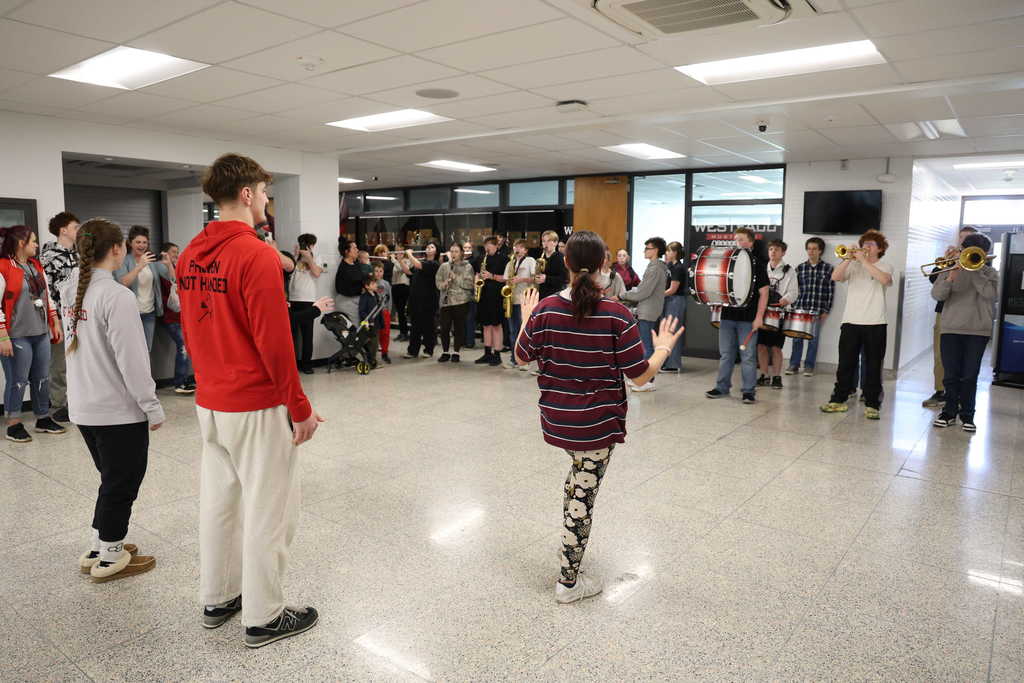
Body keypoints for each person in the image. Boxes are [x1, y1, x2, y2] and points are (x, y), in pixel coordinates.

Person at [178, 153, 321, 649]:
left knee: (220, 504)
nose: (265, 199)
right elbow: (275, 343)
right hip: (256, 405)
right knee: (270, 510)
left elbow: (191, 329)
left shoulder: (189, 253)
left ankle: (218, 597)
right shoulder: (256, 255)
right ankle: (264, 616)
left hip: (211, 401)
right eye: (263, 191)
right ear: (245, 194)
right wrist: (298, 407)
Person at [514, 230, 683, 604]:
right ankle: (569, 583)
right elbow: (639, 375)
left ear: (566, 263)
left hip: (557, 419)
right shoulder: (616, 315)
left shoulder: (545, 309)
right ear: (604, 265)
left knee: (577, 482)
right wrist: (664, 349)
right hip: (596, 425)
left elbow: (521, 356)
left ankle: (569, 538)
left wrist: (527, 317)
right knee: (583, 499)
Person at [61, 218, 163, 582]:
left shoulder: (71, 287)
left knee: (111, 480)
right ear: (117, 250)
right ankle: (111, 558)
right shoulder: (117, 296)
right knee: (123, 483)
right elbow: (132, 360)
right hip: (117, 411)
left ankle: (99, 543)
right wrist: (151, 405)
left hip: (85, 407)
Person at [0, 225, 66, 442]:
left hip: (40, 332)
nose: (37, 245)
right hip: (16, 334)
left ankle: (42, 418)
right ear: (21, 243)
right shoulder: (3, 267)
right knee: (17, 380)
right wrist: (2, 336)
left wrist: (54, 320)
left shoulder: (35, 265)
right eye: (34, 241)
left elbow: (47, 296)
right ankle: (13, 424)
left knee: (42, 378)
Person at [820, 230, 895, 420]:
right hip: (850, 322)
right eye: (865, 244)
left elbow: (885, 280)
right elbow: (835, 277)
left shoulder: (885, 265)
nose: (867, 247)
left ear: (880, 249)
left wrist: (863, 260)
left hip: (876, 323)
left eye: (871, 245)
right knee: (845, 363)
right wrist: (848, 258)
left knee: (873, 365)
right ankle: (838, 399)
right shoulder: (853, 266)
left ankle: (872, 404)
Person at [931, 232, 998, 432]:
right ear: (963, 250)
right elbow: (937, 295)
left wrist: (975, 270)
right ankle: (949, 412)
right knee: (950, 375)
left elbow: (990, 294)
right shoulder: (951, 267)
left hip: (978, 330)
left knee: (970, 375)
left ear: (985, 254)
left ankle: (968, 415)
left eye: (980, 252)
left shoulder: (990, 273)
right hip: (951, 328)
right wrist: (951, 277)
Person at [705, 228, 769, 404]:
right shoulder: (728, 263)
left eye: (741, 239)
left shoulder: (758, 264)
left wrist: (759, 317)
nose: (737, 243)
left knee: (748, 356)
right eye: (736, 240)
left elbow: (764, 293)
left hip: (748, 318)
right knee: (726, 354)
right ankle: (722, 387)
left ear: (751, 242)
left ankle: (748, 391)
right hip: (728, 316)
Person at [923, 226, 979, 408]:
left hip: (968, 314)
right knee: (940, 354)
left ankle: (959, 395)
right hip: (944, 311)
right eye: (961, 237)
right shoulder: (951, 258)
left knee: (963, 357)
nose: (963, 241)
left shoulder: (979, 259)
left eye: (968, 238)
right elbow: (933, 280)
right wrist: (946, 262)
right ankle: (940, 391)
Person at [40, 211, 79, 423]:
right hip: (59, 317)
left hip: (78, 315)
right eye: (75, 227)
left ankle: (75, 401)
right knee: (59, 364)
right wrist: (54, 319)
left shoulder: (77, 255)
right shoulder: (48, 257)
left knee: (76, 362)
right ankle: (58, 406)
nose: (78, 231)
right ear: (63, 230)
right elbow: (46, 290)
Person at [621, 237, 668, 392]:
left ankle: (647, 380)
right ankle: (644, 378)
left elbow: (643, 291)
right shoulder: (654, 266)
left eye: (648, 248)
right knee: (645, 345)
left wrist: (623, 295)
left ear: (655, 250)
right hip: (648, 309)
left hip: (648, 310)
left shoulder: (655, 268)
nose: (645, 251)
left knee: (646, 347)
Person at [786, 237, 834, 377]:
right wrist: (794, 307)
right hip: (800, 310)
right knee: (797, 338)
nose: (811, 251)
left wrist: (826, 310)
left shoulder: (828, 268)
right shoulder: (800, 268)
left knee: (813, 339)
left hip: (817, 311)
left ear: (820, 251)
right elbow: (794, 290)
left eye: (814, 249)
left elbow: (831, 291)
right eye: (809, 248)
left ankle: (809, 366)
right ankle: (794, 364)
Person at [756, 240, 799, 389]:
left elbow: (794, 292)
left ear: (783, 252)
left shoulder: (789, 271)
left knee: (776, 347)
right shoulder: (762, 269)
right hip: (762, 312)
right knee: (761, 345)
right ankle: (763, 375)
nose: (773, 252)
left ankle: (776, 377)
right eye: (771, 249)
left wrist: (784, 300)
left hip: (779, 313)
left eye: (777, 250)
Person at [114, 226, 163, 352]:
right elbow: (123, 282)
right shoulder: (124, 260)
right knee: (132, 351)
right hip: (131, 313)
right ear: (130, 243)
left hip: (149, 313)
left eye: (144, 242)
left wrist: (168, 264)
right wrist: (139, 266)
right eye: (138, 242)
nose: (142, 245)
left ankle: (146, 373)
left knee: (147, 350)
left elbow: (170, 278)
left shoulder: (150, 260)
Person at [155, 242, 194, 394]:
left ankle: (183, 381)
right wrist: (169, 264)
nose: (176, 254)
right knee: (183, 346)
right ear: (164, 253)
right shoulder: (160, 267)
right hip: (169, 315)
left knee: (185, 347)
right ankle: (179, 383)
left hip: (179, 315)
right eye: (173, 251)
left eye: (177, 251)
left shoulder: (175, 266)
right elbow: (175, 281)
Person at [289, 234, 324, 375]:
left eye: (306, 244)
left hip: (308, 299)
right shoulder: (294, 257)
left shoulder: (317, 256)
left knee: (307, 334)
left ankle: (307, 364)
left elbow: (316, 273)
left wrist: (309, 258)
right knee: (291, 335)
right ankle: (291, 363)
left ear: (312, 245)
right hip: (292, 298)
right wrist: (295, 255)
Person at [436, 243, 475, 363]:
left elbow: (469, 285)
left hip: (461, 301)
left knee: (458, 328)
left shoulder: (467, 266)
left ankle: (456, 352)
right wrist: (444, 284)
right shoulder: (444, 266)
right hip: (446, 301)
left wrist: (456, 278)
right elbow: (438, 282)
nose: (453, 254)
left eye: (456, 251)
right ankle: (445, 351)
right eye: (452, 251)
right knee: (444, 328)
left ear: (461, 253)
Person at [474, 237, 510, 367]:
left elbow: (506, 278)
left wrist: (492, 276)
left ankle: (497, 354)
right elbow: (477, 274)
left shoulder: (504, 259)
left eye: (489, 245)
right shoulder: (481, 258)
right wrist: (477, 280)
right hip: (483, 295)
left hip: (496, 296)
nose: (487, 248)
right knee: (486, 325)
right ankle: (487, 353)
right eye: (485, 246)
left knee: (496, 325)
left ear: (496, 246)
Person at [403, 242, 440, 359]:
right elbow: (409, 272)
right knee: (415, 326)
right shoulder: (421, 261)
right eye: (428, 247)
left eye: (432, 247)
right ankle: (413, 350)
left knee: (428, 326)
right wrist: (399, 260)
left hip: (428, 300)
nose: (429, 248)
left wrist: (409, 254)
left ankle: (428, 350)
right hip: (416, 299)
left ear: (436, 251)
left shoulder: (434, 264)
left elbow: (418, 265)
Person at [504, 239, 536, 368]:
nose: (517, 249)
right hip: (512, 300)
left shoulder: (530, 261)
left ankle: (524, 361)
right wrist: (509, 283)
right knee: (513, 332)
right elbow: (506, 279)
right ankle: (513, 358)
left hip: (524, 300)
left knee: (524, 332)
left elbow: (535, 278)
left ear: (526, 250)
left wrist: (521, 279)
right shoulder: (510, 262)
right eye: (515, 246)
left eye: (520, 247)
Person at [661, 240, 688, 373]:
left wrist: (658, 295)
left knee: (673, 330)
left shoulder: (678, 268)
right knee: (667, 331)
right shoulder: (671, 266)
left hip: (675, 300)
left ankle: (673, 363)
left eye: (669, 250)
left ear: (675, 253)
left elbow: (672, 289)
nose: (666, 253)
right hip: (669, 300)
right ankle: (667, 361)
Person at [335, 238, 363, 324]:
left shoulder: (356, 264)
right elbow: (346, 288)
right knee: (355, 327)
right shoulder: (344, 267)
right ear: (347, 251)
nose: (357, 250)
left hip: (356, 299)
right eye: (354, 248)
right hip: (346, 301)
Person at [358, 275, 381, 369]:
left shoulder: (375, 295)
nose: (376, 285)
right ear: (367, 286)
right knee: (370, 343)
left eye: (376, 283)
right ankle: (370, 361)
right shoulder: (364, 297)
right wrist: (367, 320)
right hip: (368, 324)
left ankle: (372, 360)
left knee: (375, 344)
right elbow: (362, 311)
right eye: (373, 283)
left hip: (376, 324)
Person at [536, 230, 568, 300]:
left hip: (555, 296)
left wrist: (546, 279)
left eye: (548, 241)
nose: (545, 244)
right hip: (542, 295)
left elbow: (564, 279)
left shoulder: (560, 257)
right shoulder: (541, 258)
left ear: (555, 243)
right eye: (543, 241)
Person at [372, 262, 393, 364]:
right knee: (375, 333)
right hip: (374, 313)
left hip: (384, 312)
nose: (378, 273)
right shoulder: (370, 283)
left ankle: (385, 352)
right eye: (376, 271)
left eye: (380, 271)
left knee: (385, 333)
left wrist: (388, 310)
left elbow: (390, 298)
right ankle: (372, 355)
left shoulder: (386, 284)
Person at [389, 245, 411, 342]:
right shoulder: (395, 261)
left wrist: (395, 260)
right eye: (397, 251)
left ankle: (405, 333)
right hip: (395, 286)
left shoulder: (407, 260)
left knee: (403, 312)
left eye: (400, 251)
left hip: (404, 287)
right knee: (399, 311)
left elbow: (402, 270)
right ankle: (402, 332)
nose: (398, 253)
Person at [462, 240, 477, 349]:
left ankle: (470, 341)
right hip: (459, 291)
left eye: (468, 248)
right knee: (461, 317)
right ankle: (462, 339)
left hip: (470, 291)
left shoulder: (474, 260)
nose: (466, 250)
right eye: (465, 248)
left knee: (469, 317)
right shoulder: (459, 260)